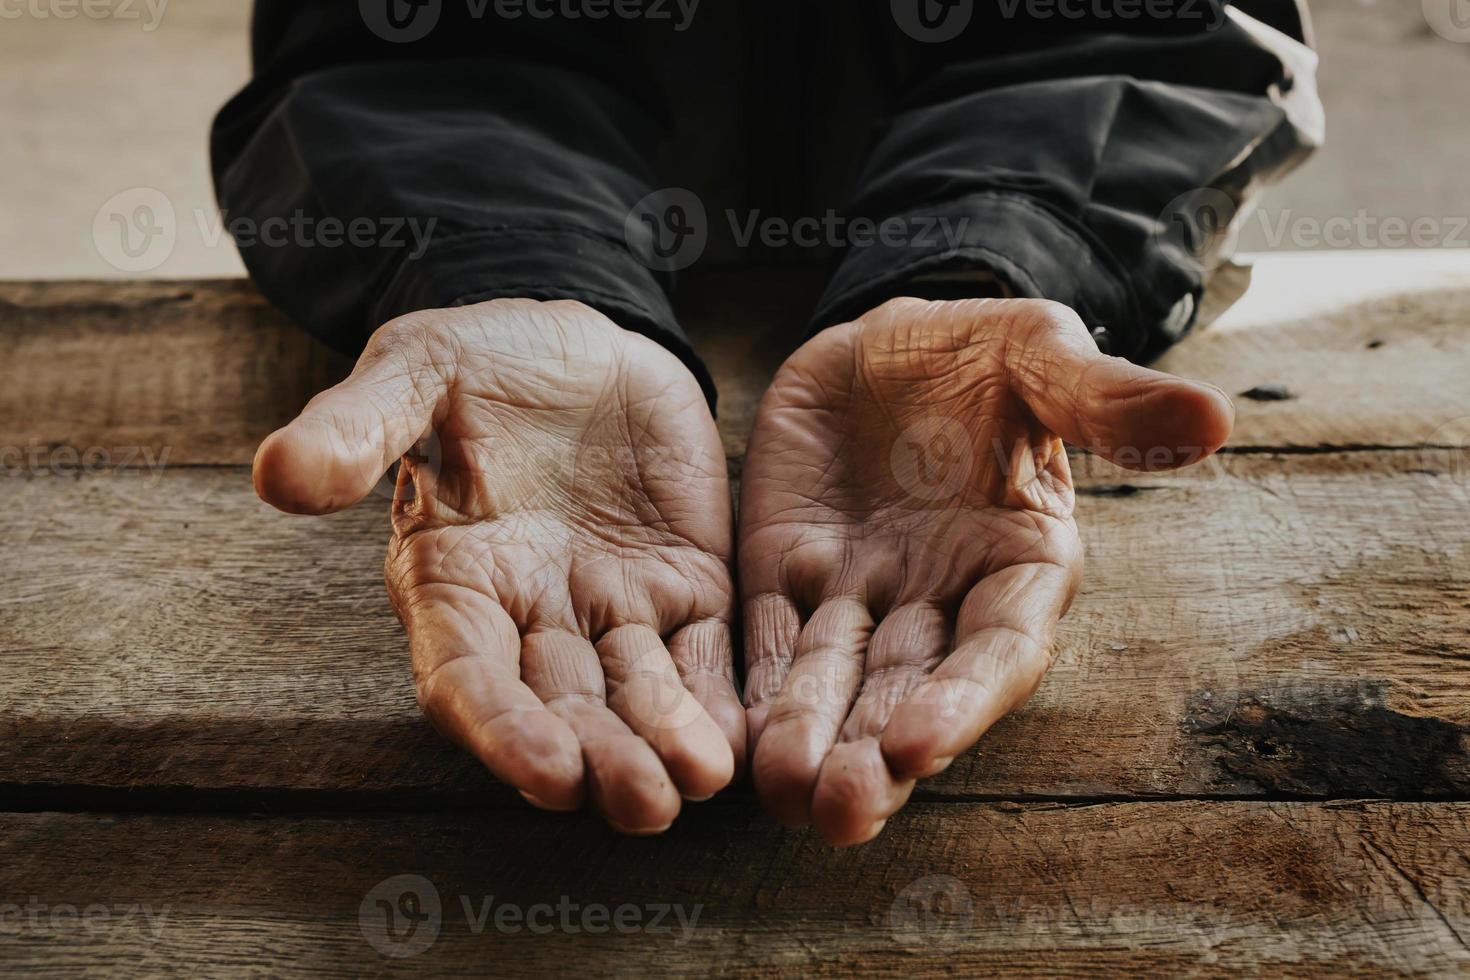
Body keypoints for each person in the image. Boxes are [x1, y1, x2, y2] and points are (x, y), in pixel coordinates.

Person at [212, 1, 1321, 844]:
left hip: (942, 210)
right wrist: (506, 261)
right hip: (580, 228)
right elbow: (416, 43)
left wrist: (994, 249)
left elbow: (1135, 33)